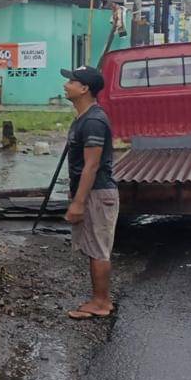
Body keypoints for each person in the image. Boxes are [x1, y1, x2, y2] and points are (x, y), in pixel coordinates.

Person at [60, 66, 119, 320]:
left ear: (84, 89)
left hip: (97, 192)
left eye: (72, 81)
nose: (66, 85)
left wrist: (79, 202)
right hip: (90, 192)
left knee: (98, 249)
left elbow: (91, 165)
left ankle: (102, 303)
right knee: (93, 247)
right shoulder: (83, 117)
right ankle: (99, 298)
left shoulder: (93, 121)